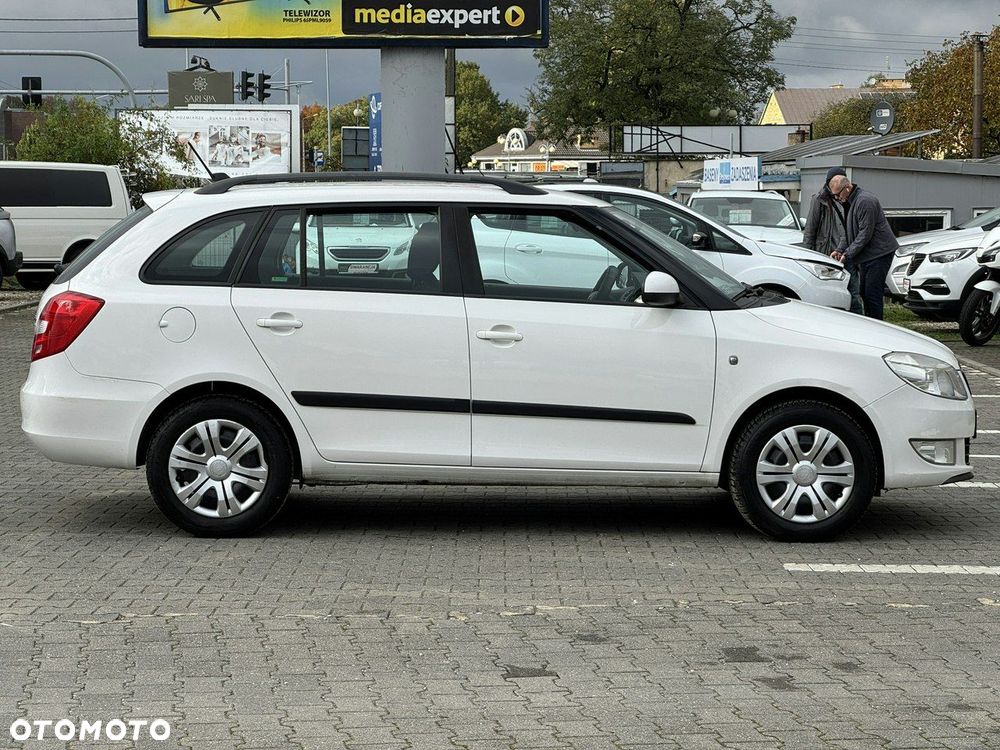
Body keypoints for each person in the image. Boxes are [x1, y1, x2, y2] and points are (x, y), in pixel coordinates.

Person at [829, 175, 899, 320]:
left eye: (838, 194)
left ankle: (877, 328)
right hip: (869, 254)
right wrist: (840, 249)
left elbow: (865, 233)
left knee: (872, 293)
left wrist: (847, 253)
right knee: (864, 292)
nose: (836, 198)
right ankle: (871, 323)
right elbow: (849, 232)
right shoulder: (850, 201)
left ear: (847, 188)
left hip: (879, 252)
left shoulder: (865, 201)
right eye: (834, 195)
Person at [803, 167, 862, 314]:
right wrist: (808, 256)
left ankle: (858, 320)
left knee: (854, 291)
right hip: (827, 253)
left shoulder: (852, 198)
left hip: (848, 252)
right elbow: (810, 229)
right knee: (829, 291)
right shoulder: (819, 200)